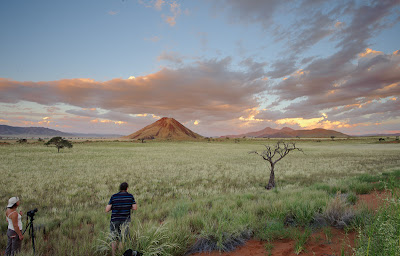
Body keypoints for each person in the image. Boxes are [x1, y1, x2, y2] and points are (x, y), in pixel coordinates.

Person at [106, 182, 137, 256]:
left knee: (113, 238)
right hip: (125, 221)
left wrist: (114, 207)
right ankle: (120, 254)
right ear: (127, 188)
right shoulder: (130, 196)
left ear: (119, 188)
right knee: (122, 238)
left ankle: (113, 254)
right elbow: (135, 208)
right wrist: (128, 206)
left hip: (114, 220)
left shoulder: (114, 196)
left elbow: (107, 209)